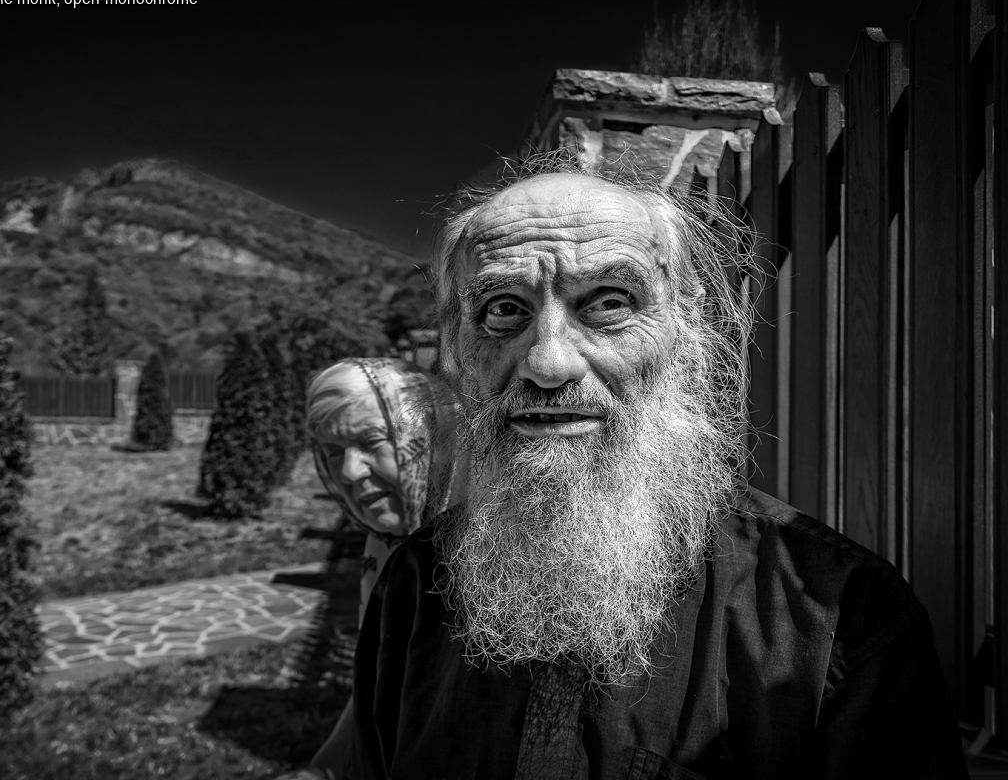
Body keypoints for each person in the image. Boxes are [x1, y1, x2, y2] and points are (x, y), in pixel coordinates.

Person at [346, 158, 970, 779]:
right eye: (504, 309)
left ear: (688, 331)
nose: (548, 363)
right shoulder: (414, 585)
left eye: (609, 302)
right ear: (457, 346)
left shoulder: (839, 617)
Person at [300, 357, 459, 780]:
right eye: (333, 452)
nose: (349, 472)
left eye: (372, 440)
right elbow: (375, 687)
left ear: (435, 438)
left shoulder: (490, 557)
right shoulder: (387, 544)